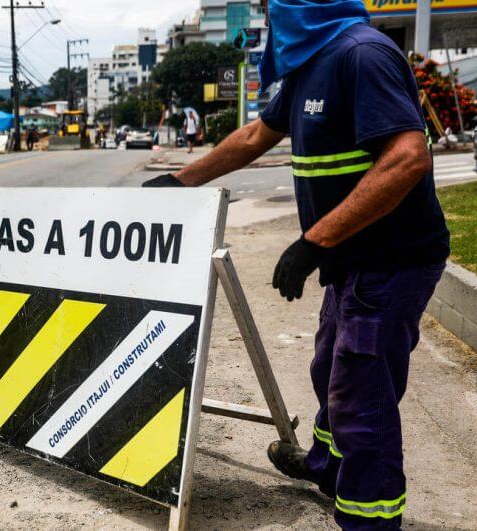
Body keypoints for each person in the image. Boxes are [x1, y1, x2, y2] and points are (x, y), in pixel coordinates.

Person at [143, 0, 449, 528]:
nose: (269, 15)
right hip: (351, 258)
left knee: (363, 392)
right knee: (330, 365)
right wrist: (180, 182)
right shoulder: (312, 61)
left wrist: (314, 242)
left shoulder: (361, 55)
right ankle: (325, 466)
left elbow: (407, 157)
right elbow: (256, 136)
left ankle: (367, 518)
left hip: (391, 259)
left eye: (272, 5)